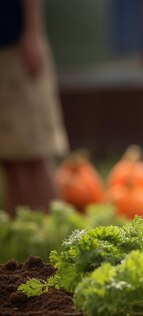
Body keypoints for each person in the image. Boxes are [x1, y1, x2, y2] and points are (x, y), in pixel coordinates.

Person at [0, 0, 69, 216]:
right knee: (9, 159)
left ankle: (55, 240)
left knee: (32, 153)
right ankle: (20, 242)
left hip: (14, 45)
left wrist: (33, 32)